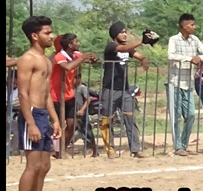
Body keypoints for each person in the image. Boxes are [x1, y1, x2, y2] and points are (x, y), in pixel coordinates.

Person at [13, 16, 63, 191]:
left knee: (44, 166)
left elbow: (47, 94)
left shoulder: (46, 60)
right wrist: (31, 123)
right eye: (47, 33)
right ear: (34, 36)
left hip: (43, 114)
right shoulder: (27, 59)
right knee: (32, 166)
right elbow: (23, 94)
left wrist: (55, 119)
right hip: (32, 114)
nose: (51, 36)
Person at [101, 21, 148, 158]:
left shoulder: (127, 49)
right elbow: (123, 49)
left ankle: (135, 149)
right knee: (107, 120)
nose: (125, 34)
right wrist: (142, 41)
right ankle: (110, 150)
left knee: (130, 117)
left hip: (125, 89)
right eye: (122, 32)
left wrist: (143, 59)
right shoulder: (111, 46)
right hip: (110, 88)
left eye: (125, 32)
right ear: (115, 34)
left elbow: (137, 55)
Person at [49, 33, 97, 159]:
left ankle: (61, 150)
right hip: (55, 96)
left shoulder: (75, 55)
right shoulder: (59, 56)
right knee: (58, 125)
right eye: (76, 41)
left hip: (69, 95)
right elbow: (67, 66)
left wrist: (93, 57)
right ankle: (56, 149)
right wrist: (82, 58)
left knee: (72, 124)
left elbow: (88, 58)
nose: (79, 43)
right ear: (70, 45)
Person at [166, 13, 203, 157]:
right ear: (184, 26)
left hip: (188, 83)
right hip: (174, 82)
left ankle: (184, 144)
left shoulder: (195, 40)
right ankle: (178, 146)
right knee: (176, 116)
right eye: (192, 25)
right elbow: (171, 55)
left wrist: (199, 57)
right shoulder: (174, 39)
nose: (194, 27)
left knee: (191, 115)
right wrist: (189, 58)